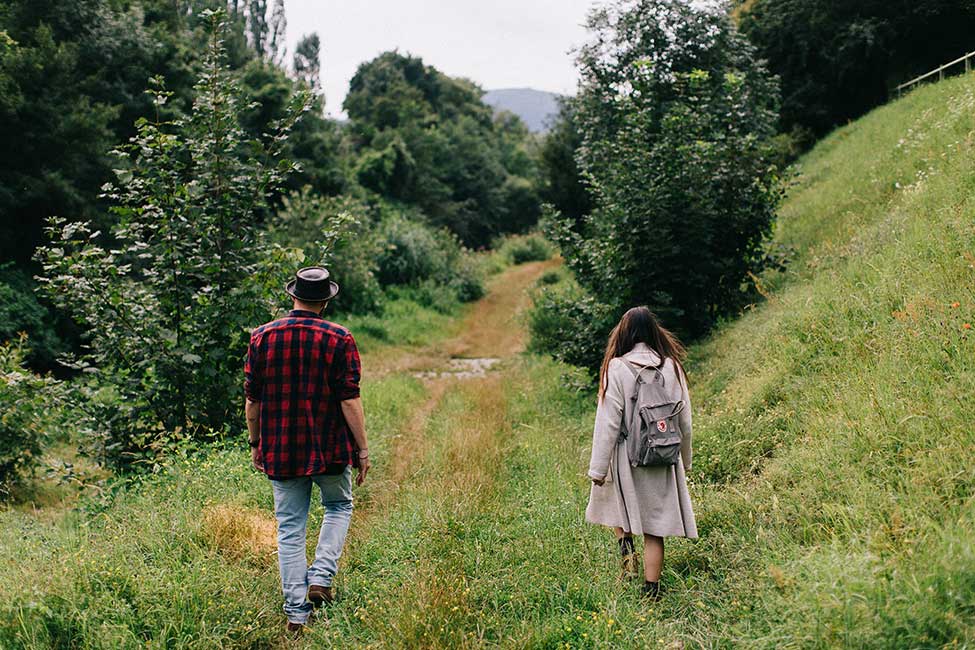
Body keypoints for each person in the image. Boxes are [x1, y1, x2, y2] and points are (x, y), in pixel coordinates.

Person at [244, 266, 371, 635]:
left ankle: (296, 614)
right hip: (329, 447)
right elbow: (349, 399)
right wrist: (362, 450)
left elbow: (253, 400)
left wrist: (256, 443)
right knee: (339, 506)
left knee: (289, 528)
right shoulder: (339, 338)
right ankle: (321, 576)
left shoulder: (262, 337)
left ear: (293, 296)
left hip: (281, 448)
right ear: (325, 301)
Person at [585, 306, 697, 600]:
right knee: (654, 526)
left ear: (623, 333)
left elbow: (608, 422)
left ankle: (627, 563)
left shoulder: (617, 367)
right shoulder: (671, 366)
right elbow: (684, 420)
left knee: (617, 505)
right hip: (662, 454)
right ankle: (652, 590)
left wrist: (598, 470)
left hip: (626, 455)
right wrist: (684, 458)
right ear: (653, 332)